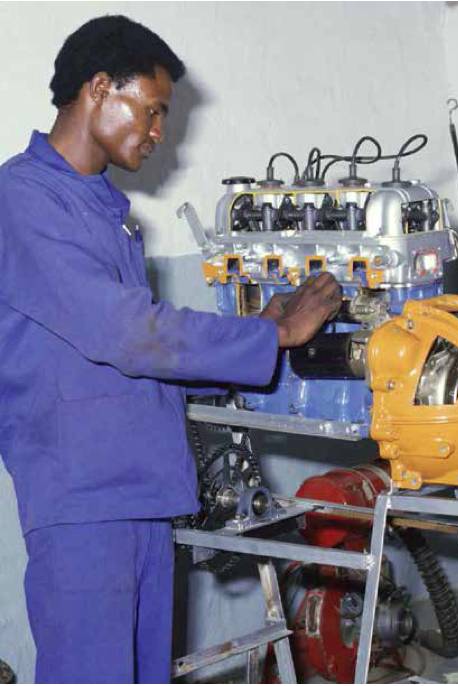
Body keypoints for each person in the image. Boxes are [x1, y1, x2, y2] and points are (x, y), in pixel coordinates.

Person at [0, 15, 341, 684]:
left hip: (140, 492)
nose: (159, 133)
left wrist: (257, 334)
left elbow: (136, 355)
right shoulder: (23, 201)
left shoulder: (95, 208)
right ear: (99, 88)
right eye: (152, 110)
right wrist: (271, 334)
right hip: (84, 503)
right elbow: (127, 334)